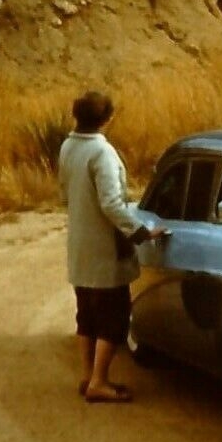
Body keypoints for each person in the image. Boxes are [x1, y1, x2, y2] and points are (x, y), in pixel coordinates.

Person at [57, 90, 165, 404]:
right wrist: (142, 232)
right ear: (107, 119)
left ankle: (88, 374)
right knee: (113, 316)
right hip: (106, 247)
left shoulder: (68, 146)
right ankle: (99, 382)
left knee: (86, 314)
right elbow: (112, 204)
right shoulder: (101, 153)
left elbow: (65, 192)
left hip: (80, 243)